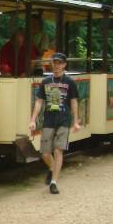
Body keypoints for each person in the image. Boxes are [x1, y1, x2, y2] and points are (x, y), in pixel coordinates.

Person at [29, 52, 81, 195]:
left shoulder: (69, 82)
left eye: (59, 63)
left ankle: (54, 182)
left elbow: (74, 102)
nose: (57, 65)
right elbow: (39, 101)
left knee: (58, 150)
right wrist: (32, 120)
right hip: (49, 120)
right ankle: (52, 169)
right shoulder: (46, 81)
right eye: (55, 63)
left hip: (64, 120)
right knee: (45, 153)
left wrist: (75, 121)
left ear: (64, 65)